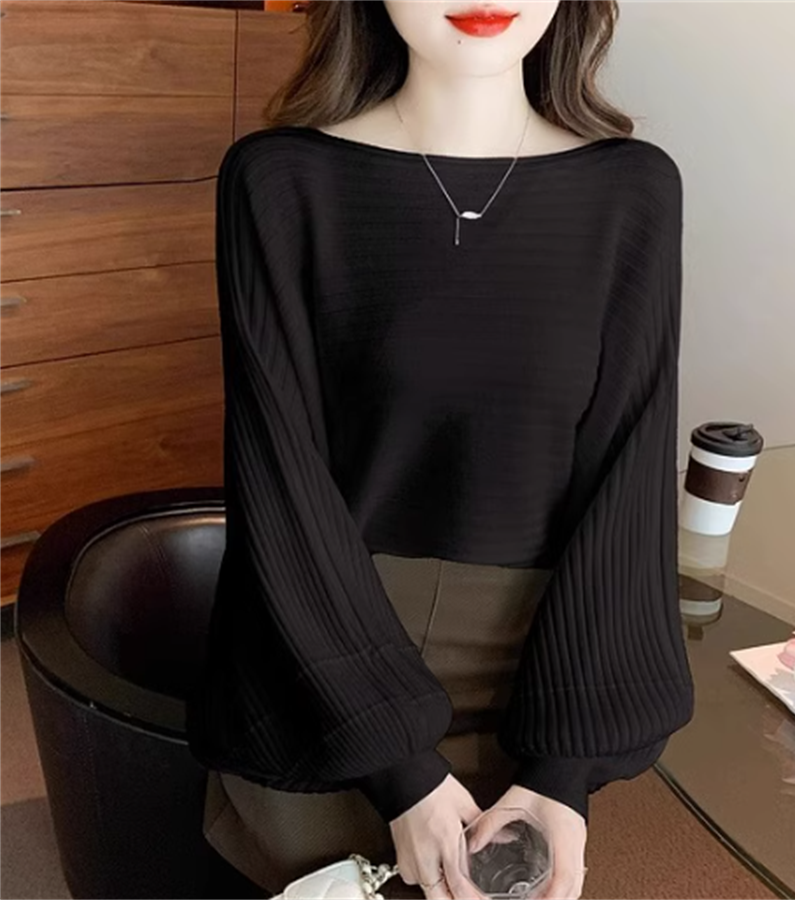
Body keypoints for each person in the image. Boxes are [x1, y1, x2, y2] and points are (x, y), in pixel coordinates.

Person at [185, 1, 695, 899]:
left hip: (548, 667)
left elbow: (631, 474)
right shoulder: (279, 179)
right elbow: (278, 479)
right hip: (324, 653)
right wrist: (402, 773)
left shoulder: (633, 188)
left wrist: (561, 773)